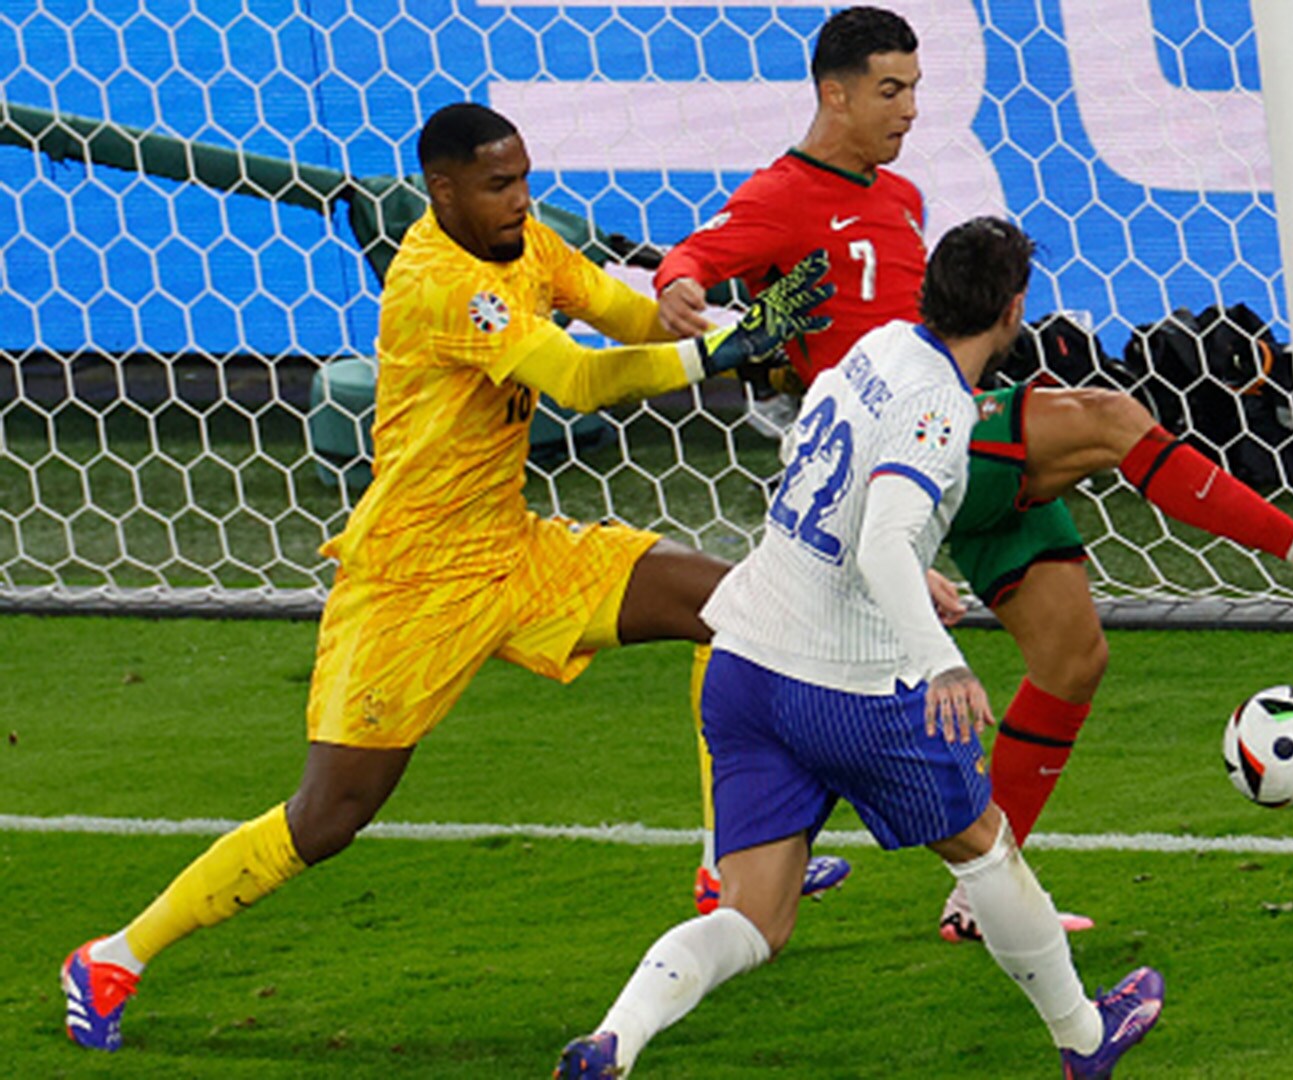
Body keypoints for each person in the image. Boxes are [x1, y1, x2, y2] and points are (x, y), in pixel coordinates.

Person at [58, 101, 835, 1054]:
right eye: (499, 185)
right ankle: (113, 956)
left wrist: (721, 325)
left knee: (732, 609)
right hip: (411, 581)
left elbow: (622, 314)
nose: (519, 200)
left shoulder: (526, 244)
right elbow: (577, 379)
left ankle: (724, 869)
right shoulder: (438, 282)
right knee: (329, 816)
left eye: (524, 179)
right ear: (443, 189)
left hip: (511, 546)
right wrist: (711, 357)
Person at [653, 5, 1293, 941]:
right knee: (1107, 418)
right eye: (889, 91)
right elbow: (700, 253)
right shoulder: (789, 192)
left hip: (950, 441)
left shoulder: (898, 201)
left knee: (1072, 658)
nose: (906, 111)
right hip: (903, 443)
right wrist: (680, 288)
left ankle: (981, 896)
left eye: (914, 91)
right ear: (835, 92)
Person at [557, 216, 1164, 1080]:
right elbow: (882, 540)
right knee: (985, 849)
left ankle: (615, 1040)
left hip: (743, 661)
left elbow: (824, 474)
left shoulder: (876, 347)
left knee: (753, 916)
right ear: (1013, 310)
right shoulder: (944, 407)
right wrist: (943, 658)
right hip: (849, 687)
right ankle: (1085, 1039)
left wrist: (914, 570)